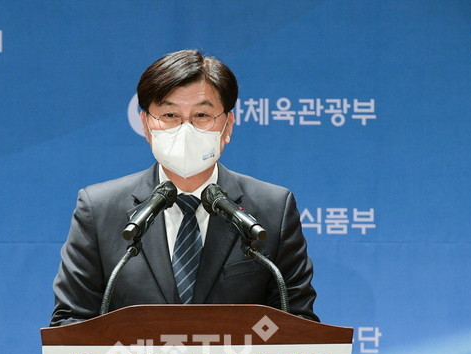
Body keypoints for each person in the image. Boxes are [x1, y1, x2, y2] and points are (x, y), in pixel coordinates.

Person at [50, 49, 318, 326]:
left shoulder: (273, 208)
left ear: (227, 126)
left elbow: (298, 323)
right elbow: (71, 321)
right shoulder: (99, 209)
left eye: (202, 114)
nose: (185, 130)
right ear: (146, 125)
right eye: (169, 115)